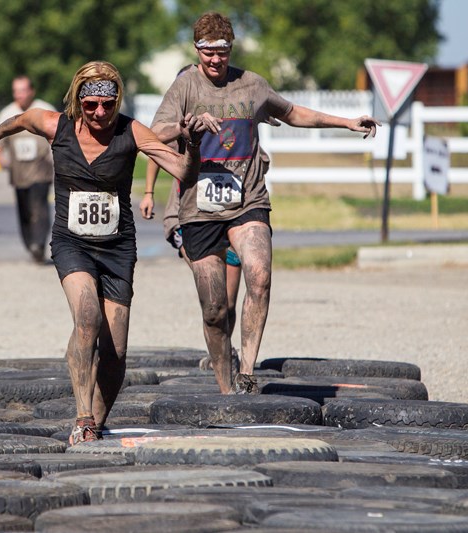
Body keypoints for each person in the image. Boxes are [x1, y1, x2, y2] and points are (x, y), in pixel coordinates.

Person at [151, 11, 380, 394]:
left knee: (259, 276)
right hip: (198, 208)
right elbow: (154, 133)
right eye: (207, 52)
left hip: (248, 199)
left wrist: (346, 123)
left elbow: (292, 113)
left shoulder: (252, 85)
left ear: (230, 49)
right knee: (214, 309)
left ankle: (248, 371)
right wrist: (184, 126)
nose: (214, 60)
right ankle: (225, 387)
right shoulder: (184, 87)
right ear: (196, 50)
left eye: (221, 52)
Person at [0, 61, 202, 444]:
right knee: (87, 318)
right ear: (77, 102)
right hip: (72, 243)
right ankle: (81, 416)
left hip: (117, 248)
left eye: (108, 104)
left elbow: (184, 172)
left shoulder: (131, 131)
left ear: (118, 101)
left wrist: (194, 145)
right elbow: (24, 119)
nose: (100, 112)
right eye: (91, 105)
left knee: (115, 353)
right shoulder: (57, 125)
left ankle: (95, 424)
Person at [0, 76, 57, 263]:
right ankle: (31, 244)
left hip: (41, 168)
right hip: (19, 171)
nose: (19, 95)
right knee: (24, 209)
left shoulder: (44, 109)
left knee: (39, 206)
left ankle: (39, 244)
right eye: (16, 91)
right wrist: (1, 159)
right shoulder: (8, 112)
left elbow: (59, 134)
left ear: (32, 91)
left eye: (23, 90)